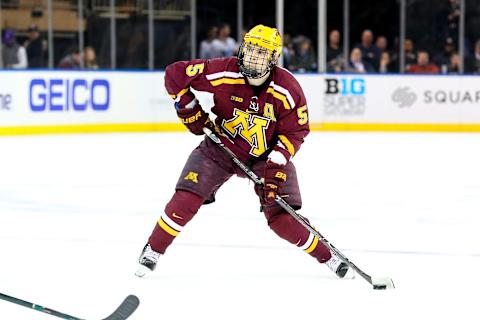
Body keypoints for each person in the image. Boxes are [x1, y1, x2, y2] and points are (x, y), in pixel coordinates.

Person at [135, 24, 351, 280]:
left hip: (265, 157)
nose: (253, 57)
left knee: (282, 217)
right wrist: (188, 108)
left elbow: (296, 131)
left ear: (273, 58)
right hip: (220, 147)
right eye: (250, 50)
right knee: (187, 198)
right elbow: (174, 75)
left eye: (261, 53)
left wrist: (275, 165)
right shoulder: (224, 71)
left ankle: (328, 256)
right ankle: (153, 249)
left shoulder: (287, 89)